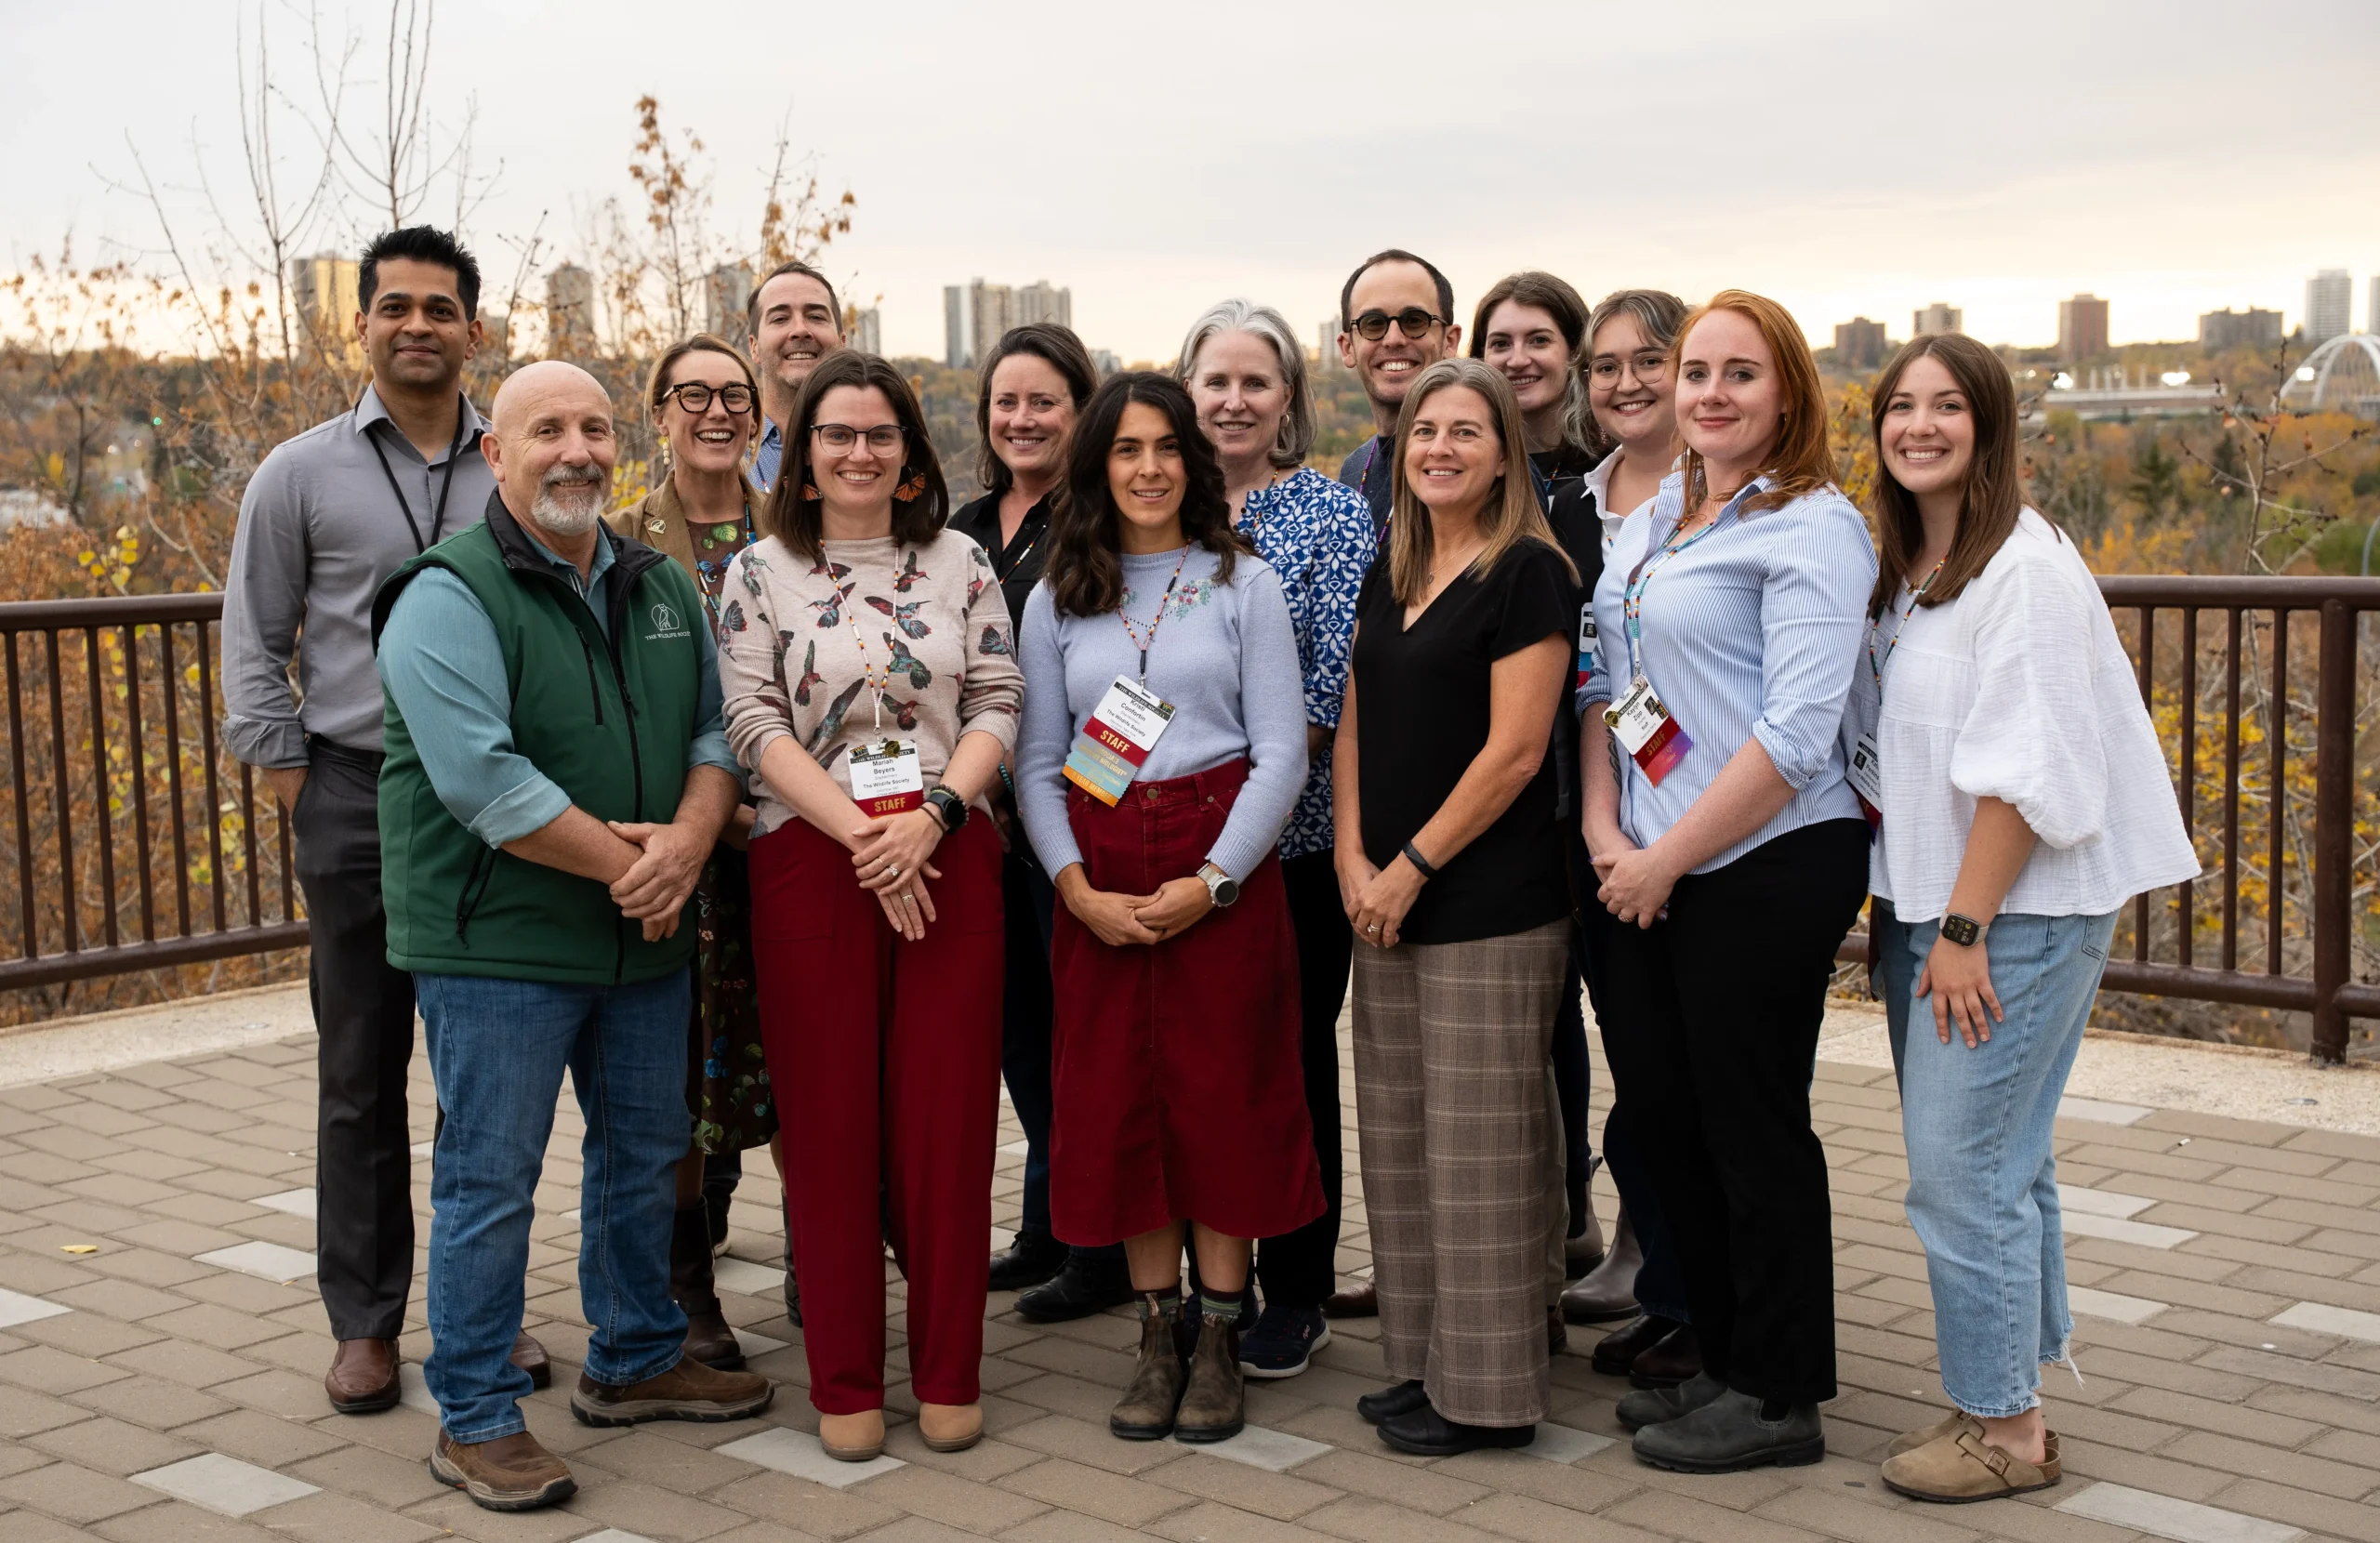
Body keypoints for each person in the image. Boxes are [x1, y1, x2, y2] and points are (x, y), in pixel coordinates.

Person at [374, 361, 772, 1510]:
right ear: (494, 453)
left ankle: (636, 1356)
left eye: (595, 428)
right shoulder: (446, 593)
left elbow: (714, 733)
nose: (577, 450)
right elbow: (485, 784)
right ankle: (476, 1413)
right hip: (499, 942)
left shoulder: (659, 586)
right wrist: (649, 868)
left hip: (640, 937)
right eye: (546, 429)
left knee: (644, 1151)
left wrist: (688, 844)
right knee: (491, 1178)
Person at [1856, 335, 2195, 1503]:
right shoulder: (1917, 562)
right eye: (1901, 406)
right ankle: (2018, 1387)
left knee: (1960, 1173)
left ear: (1989, 425)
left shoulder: (2024, 570)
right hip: (1941, 906)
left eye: (1948, 406)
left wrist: (1960, 933)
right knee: (2005, 1161)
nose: (1920, 426)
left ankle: (2003, 1432)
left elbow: (2027, 773)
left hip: (2009, 915)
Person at [218, 225, 549, 1414]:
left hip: (497, 802)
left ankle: (483, 1314)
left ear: (474, 328)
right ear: (359, 324)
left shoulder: (514, 463)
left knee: (492, 1073)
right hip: (354, 792)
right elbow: (251, 642)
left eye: (440, 307)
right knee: (361, 1067)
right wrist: (295, 780)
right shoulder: (297, 474)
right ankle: (364, 1321)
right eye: (394, 306)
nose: (418, 324)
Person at [1577, 291, 1875, 1473]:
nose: (1708, 392)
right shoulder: (1661, 518)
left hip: (1760, 863)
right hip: (1643, 857)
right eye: (1694, 370)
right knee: (1664, 1117)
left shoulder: (1815, 528)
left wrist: (1666, 856)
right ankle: (1718, 1347)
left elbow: (1796, 735)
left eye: (1737, 374)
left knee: (1752, 1128)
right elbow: (1610, 677)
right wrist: (1607, 828)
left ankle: (1781, 1389)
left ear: (1787, 392)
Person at [718, 349, 1022, 1462]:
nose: (858, 451)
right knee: (832, 1128)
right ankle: (844, 1378)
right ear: (802, 462)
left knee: (947, 1129)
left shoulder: (962, 563)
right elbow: (752, 722)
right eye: (836, 435)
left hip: (947, 851)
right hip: (814, 862)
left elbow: (999, 695)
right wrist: (864, 838)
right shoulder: (756, 573)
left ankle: (947, 1371)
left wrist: (930, 818)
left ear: (908, 456)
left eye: (879, 435)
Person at [1015, 372, 1318, 1444]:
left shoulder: (1243, 583)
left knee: (1220, 1105)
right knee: (1122, 1106)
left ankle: (1222, 1336)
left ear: (1191, 461)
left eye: (1164, 448)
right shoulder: (1058, 594)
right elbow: (1042, 761)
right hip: (1097, 864)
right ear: (1097, 465)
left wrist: (1214, 880)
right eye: (1125, 449)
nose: (1147, 468)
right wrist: (1073, 890)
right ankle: (1157, 1334)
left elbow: (1282, 751)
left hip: (1219, 864)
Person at [1336, 358, 1578, 1457]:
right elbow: (1350, 723)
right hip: (1381, 897)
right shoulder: (1392, 564)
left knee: (1479, 1154)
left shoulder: (1528, 572)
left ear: (1503, 451)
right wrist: (1351, 857)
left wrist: (1410, 865)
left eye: (1465, 432)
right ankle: (1424, 1364)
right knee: (1398, 1141)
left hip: (1484, 902)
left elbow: (1517, 751)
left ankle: (1487, 1397)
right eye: (1424, 429)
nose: (1438, 447)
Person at [1173, 298, 1374, 1378]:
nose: (1235, 399)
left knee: (1286, 1068)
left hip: (1286, 853)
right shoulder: (1149, 510)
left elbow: (1330, 691)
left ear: (1288, 397)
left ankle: (1295, 1288)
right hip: (1155, 854)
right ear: (1187, 387)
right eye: (1217, 380)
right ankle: (1212, 1282)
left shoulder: (1330, 518)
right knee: (1194, 1067)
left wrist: (1232, 824)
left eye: (1257, 381)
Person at [950, 323, 1131, 1320]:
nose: (1021, 419)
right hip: (977, 825)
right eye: (1005, 403)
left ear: (1081, 411)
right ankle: (1049, 1226)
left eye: (1044, 402)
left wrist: (1068, 803)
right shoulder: (960, 526)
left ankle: (1102, 1248)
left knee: (1084, 1039)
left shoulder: (1105, 524)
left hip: (1073, 822)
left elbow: (1134, 676)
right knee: (1021, 1034)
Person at [602, 335, 774, 1370]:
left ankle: (825, 1260)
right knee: (669, 1077)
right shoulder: (621, 543)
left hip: (798, 843)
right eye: (692, 394)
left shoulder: (796, 533)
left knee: (808, 1056)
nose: (716, 411)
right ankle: (683, 1285)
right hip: (678, 851)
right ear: (658, 413)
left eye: (735, 396)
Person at [1556, 289, 1702, 1396]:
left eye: (1649, 361)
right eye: (1603, 368)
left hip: (1720, 830)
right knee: (1645, 1075)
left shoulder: (1738, 496)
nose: (1625, 384)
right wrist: (1604, 829)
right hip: (1597, 822)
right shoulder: (1569, 505)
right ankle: (1668, 1292)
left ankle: (1713, 1308)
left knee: (1716, 1088)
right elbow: (1591, 683)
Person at [1470, 270, 1607, 1339]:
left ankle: (1574, 1232)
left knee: (1558, 1024)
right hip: (1483, 806)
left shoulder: (1599, 485)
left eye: (1540, 340)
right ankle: (1539, 1244)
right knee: (1519, 1032)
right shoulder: (1425, 468)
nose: (1519, 357)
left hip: (1578, 796)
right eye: (1499, 340)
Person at [1334, 249, 1462, 530]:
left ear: (1450, 341)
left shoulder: (1486, 468)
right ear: (1347, 347)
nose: (1393, 339)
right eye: (1373, 324)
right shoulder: (1354, 471)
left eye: (1414, 321)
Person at [747, 259, 847, 491]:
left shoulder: (877, 450)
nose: (800, 330)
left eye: (816, 317)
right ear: (754, 347)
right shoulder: (724, 457)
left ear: (843, 343)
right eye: (780, 319)